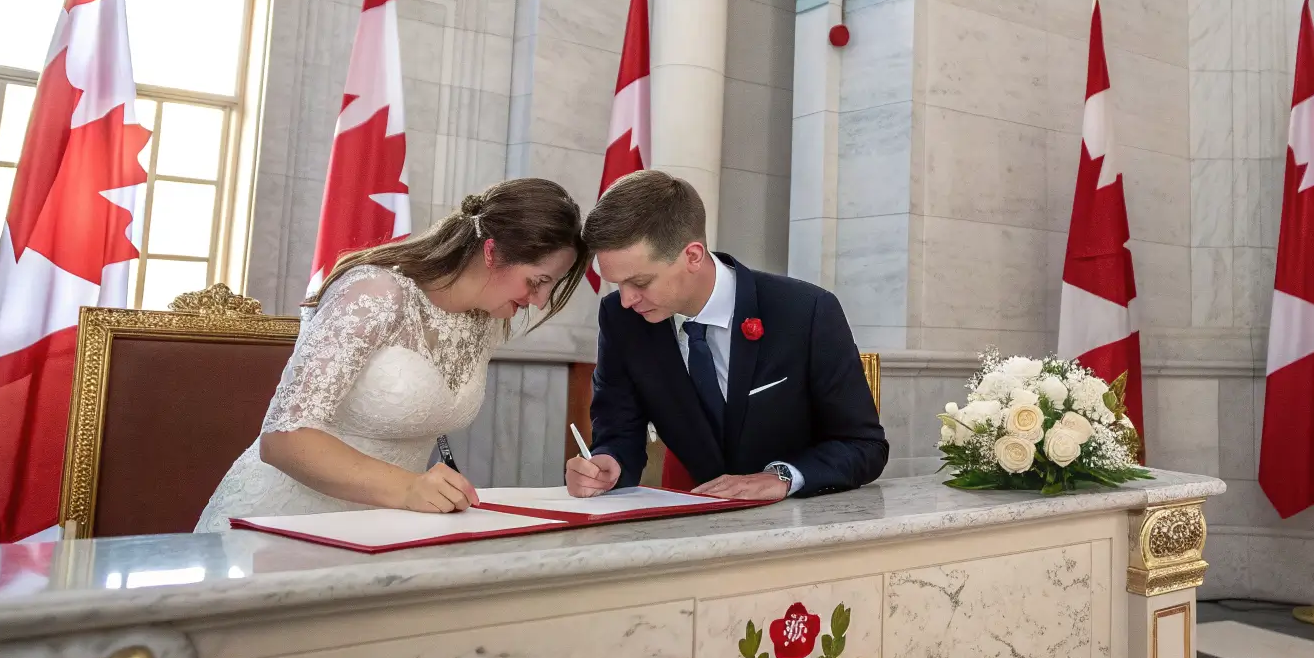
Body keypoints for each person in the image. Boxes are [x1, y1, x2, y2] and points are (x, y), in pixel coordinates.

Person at [194, 178, 589, 531]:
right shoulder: (375, 293)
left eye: (548, 287)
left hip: (386, 528)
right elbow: (282, 439)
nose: (538, 301)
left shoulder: (487, 322)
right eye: (537, 282)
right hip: (286, 519)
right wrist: (407, 487)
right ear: (491, 252)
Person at [567, 170, 887, 502]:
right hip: (693, 524)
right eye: (617, 283)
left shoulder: (806, 311)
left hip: (803, 525)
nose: (626, 299)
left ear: (692, 255)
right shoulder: (621, 319)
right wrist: (608, 463)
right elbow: (618, 431)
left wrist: (782, 477)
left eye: (641, 282)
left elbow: (864, 446)